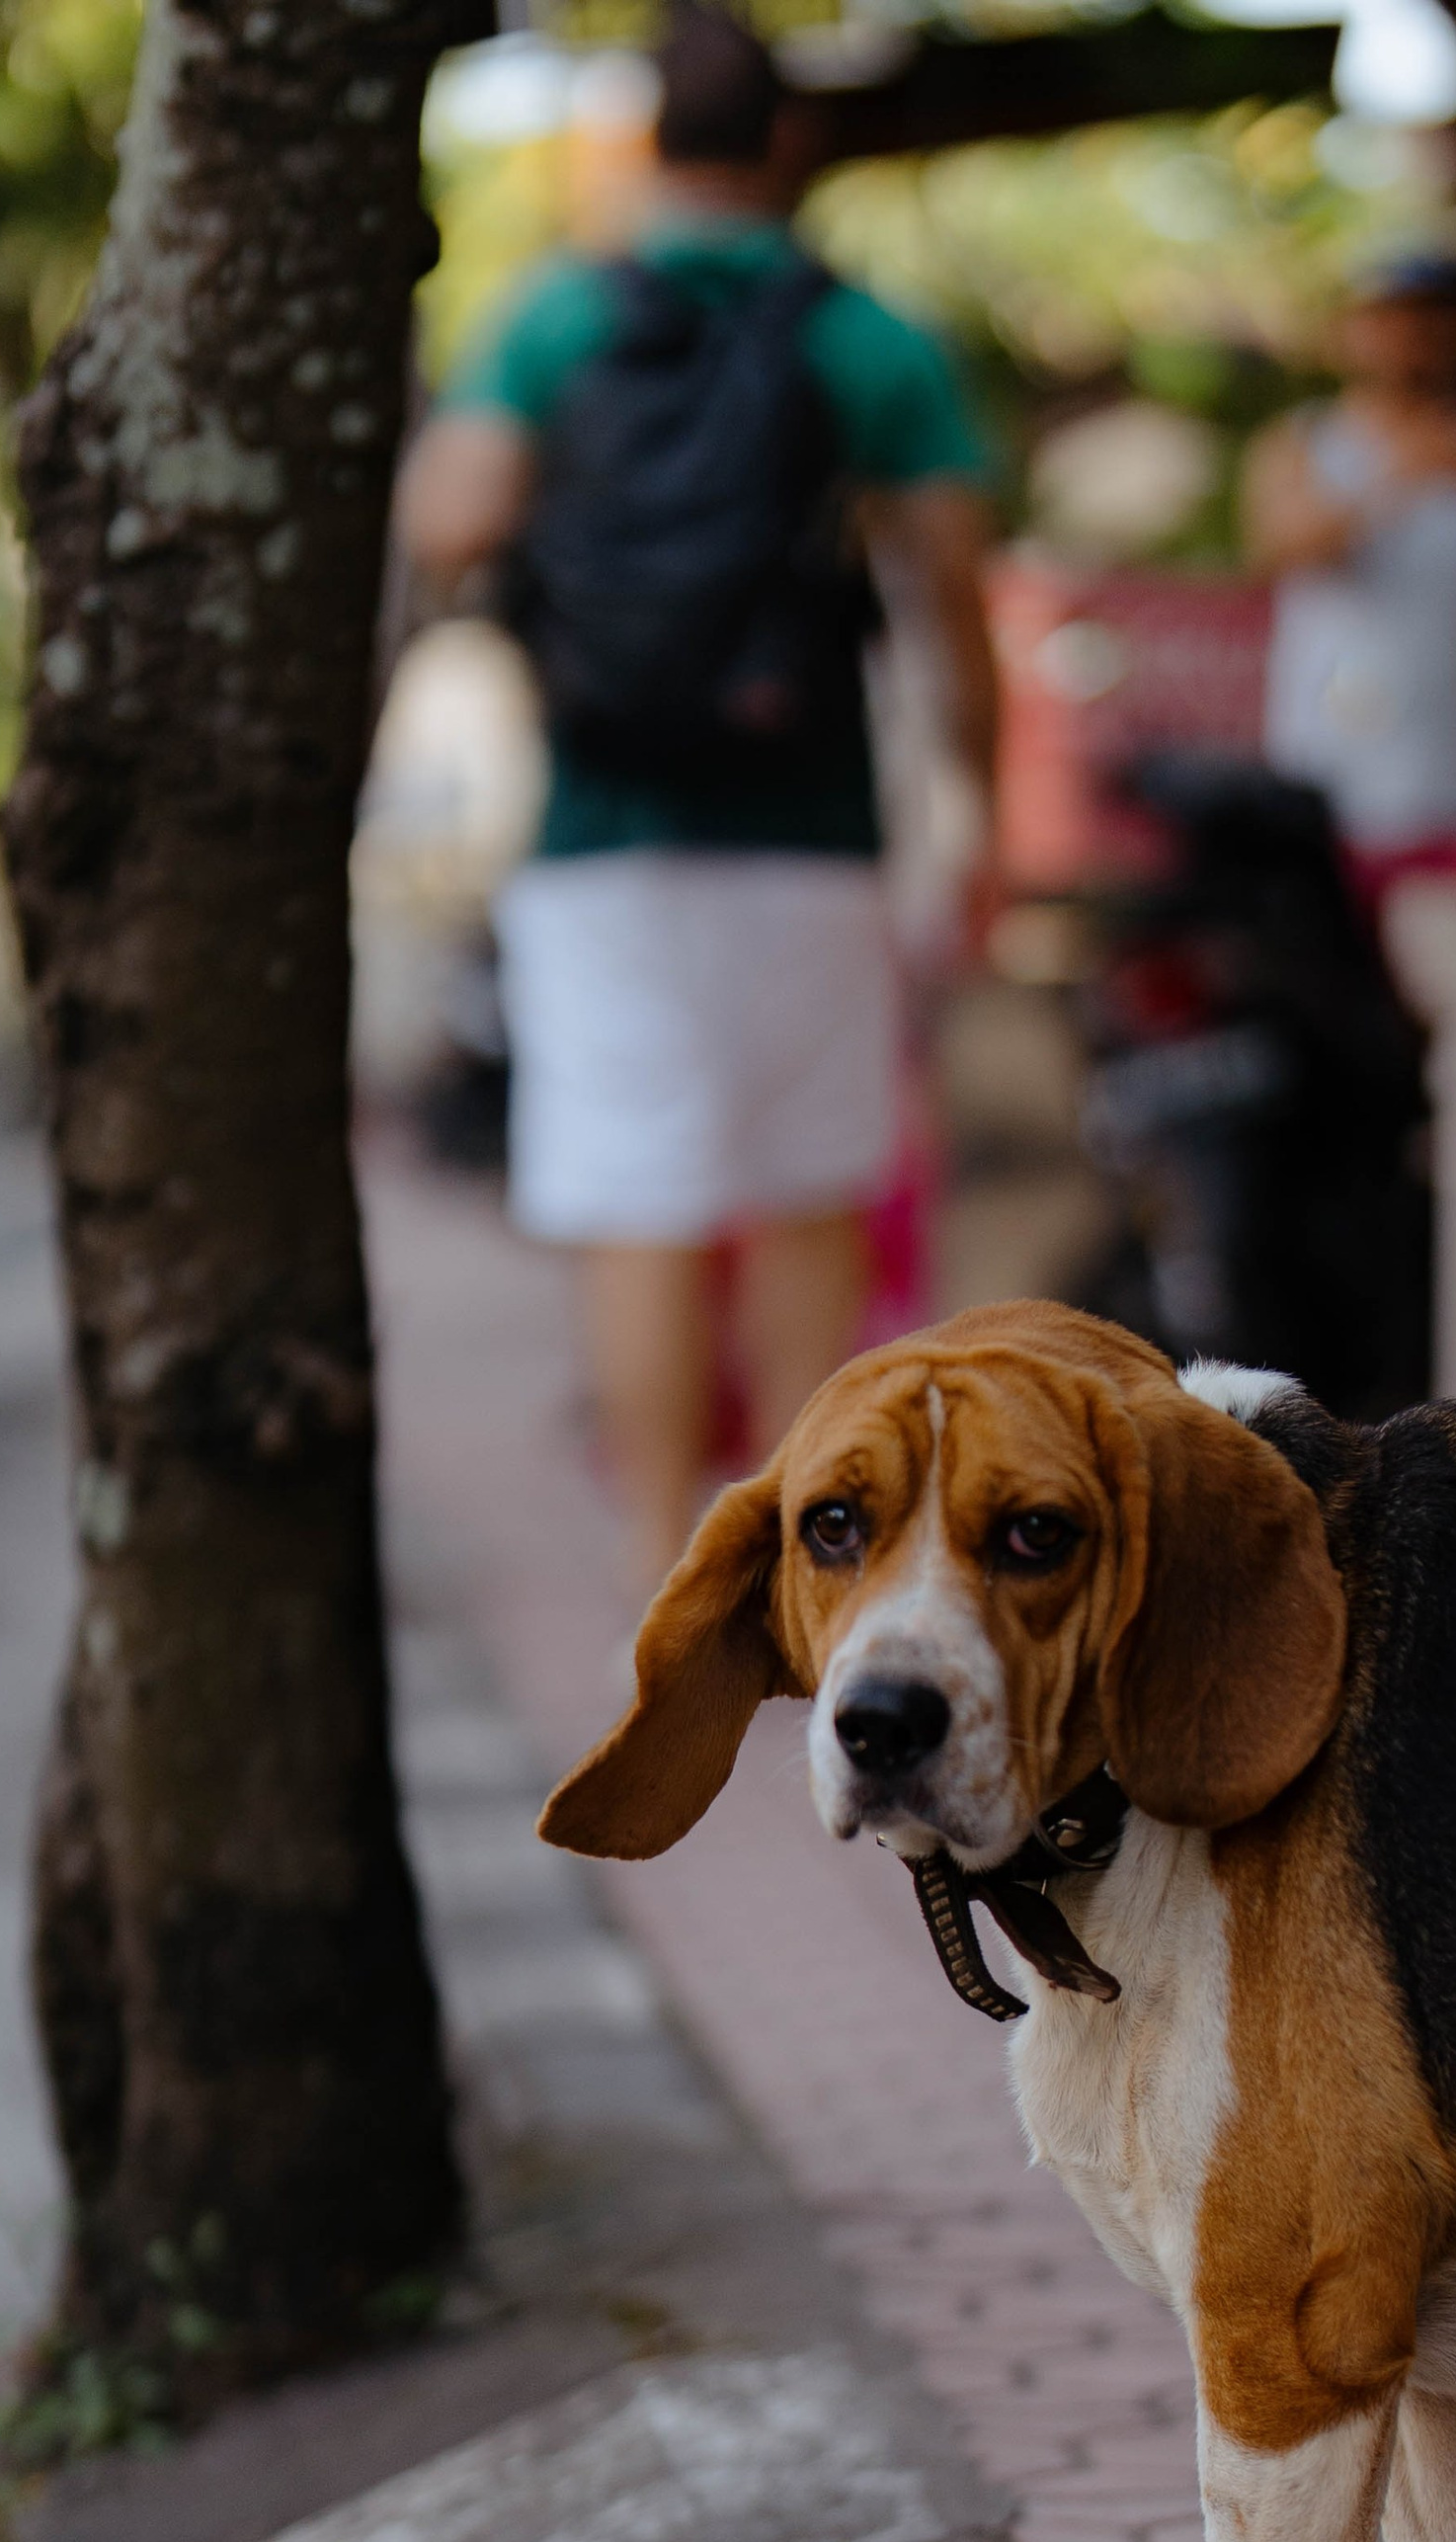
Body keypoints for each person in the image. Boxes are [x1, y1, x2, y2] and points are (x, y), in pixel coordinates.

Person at [395, 7, 1000, 1590]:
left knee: (637, 1211)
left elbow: (452, 519)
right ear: (790, 146)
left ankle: (667, 1583)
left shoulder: (555, 322)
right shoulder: (863, 339)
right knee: (805, 1201)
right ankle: (808, 1580)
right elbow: (955, 592)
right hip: (806, 833)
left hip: (602, 838)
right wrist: (983, 802)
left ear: (644, 145)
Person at [1242, 255, 1456, 909]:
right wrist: (1397, 480)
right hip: (1341, 778)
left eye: (1433, 323)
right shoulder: (1304, 442)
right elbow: (1276, 551)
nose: (1412, 341)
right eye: (1392, 321)